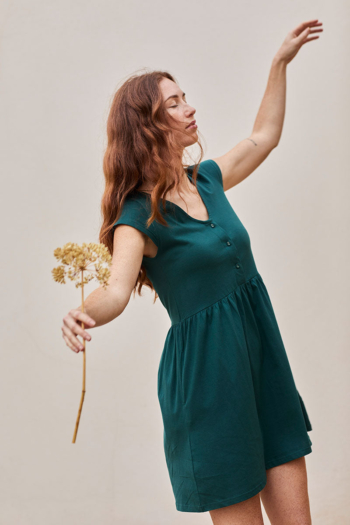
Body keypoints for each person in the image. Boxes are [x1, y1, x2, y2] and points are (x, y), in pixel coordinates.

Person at [61, 19, 322, 525]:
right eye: (174, 103)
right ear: (148, 125)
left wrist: (279, 63)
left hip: (262, 358)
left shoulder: (208, 179)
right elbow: (115, 291)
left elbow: (264, 136)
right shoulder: (136, 217)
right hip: (209, 378)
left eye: (186, 97)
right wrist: (79, 312)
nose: (190, 108)